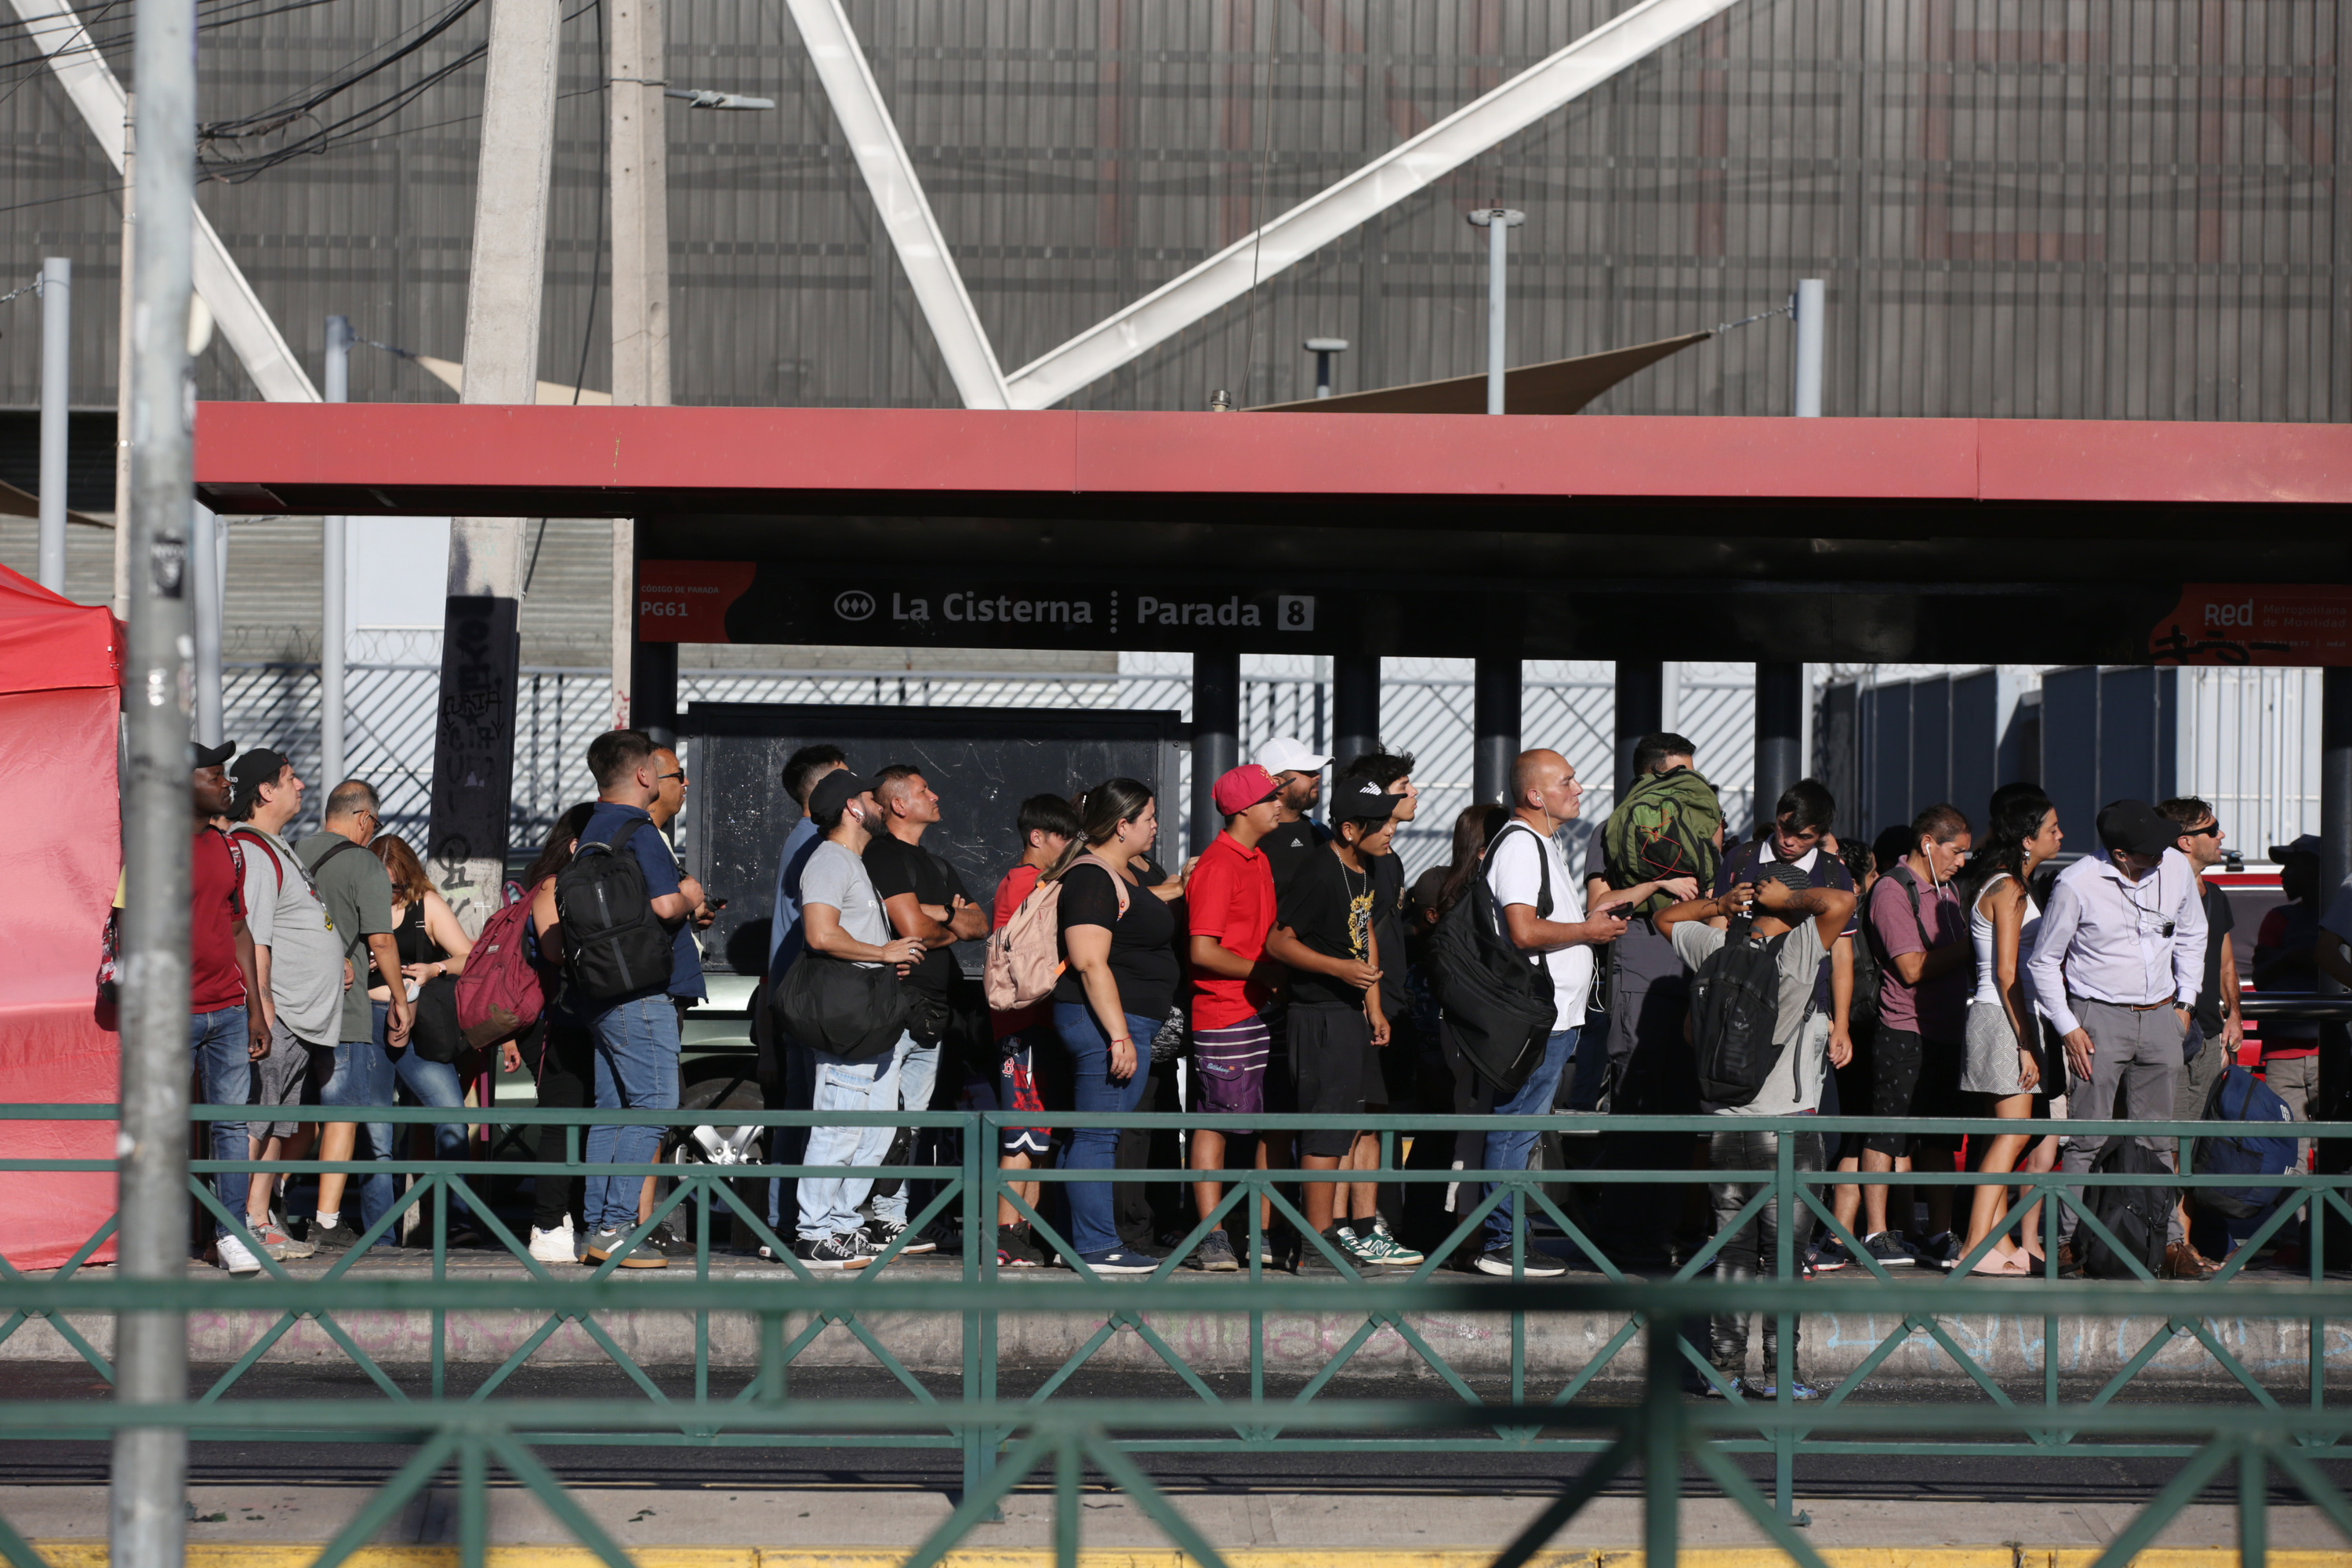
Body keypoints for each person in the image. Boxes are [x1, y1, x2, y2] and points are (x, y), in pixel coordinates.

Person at [1656, 860, 1854, 1396]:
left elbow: (1666, 917)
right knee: (1783, 1257)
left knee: (1734, 1251)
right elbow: (1840, 903)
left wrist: (1720, 907)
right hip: (1785, 1128)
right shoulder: (1797, 950)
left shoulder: (1718, 950)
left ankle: (1723, 1371)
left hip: (1724, 1127)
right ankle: (1780, 1376)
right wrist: (1788, 904)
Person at [1461, 749, 1629, 1277]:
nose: (1578, 789)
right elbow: (1524, 930)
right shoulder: (1520, 846)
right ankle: (1502, 1240)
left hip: (1554, 1016)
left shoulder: (1541, 844)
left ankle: (1509, 1235)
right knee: (1517, 1126)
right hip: (1538, 1015)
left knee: (1525, 1128)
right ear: (1535, 795)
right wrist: (1588, 932)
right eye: (1567, 780)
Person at [2027, 799, 2208, 1275]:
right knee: (2087, 1137)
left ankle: (2168, 1243)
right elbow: (2044, 962)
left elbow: (2193, 934)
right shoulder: (2077, 883)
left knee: (2158, 1139)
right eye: (2149, 850)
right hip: (2097, 1018)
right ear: (2121, 854)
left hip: (2163, 1014)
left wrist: (2185, 1003)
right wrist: (2068, 1028)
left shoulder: (2175, 869)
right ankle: (2066, 1242)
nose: (2163, 855)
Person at [576, 730, 709, 1268]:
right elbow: (662, 905)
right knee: (654, 1107)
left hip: (604, 992)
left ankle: (596, 1226)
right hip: (644, 992)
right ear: (643, 776)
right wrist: (692, 896)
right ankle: (615, 1226)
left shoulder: (592, 828)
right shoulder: (641, 830)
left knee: (612, 1110)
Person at [1585, 732, 1717, 1265]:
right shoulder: (1615, 830)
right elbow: (1599, 907)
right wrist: (1657, 886)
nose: (1689, 784)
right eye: (1678, 773)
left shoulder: (1702, 830)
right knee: (1638, 1104)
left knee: (1686, 1112)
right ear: (1649, 777)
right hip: (1642, 975)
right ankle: (1624, 1237)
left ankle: (1671, 1234)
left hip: (1692, 981)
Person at [1265, 779, 1403, 1268]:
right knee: (1324, 1132)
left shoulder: (1365, 868)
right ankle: (1313, 1242)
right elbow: (1279, 942)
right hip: (1317, 1014)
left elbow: (1364, 935)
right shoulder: (1320, 869)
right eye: (1380, 823)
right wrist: (1340, 970)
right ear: (1349, 828)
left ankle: (1324, 1236)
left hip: (1348, 1013)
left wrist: (1375, 1004)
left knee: (1342, 1126)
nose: (1391, 830)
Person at [792, 769, 926, 1268]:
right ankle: (814, 1231)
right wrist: (885, 952)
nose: (878, 803)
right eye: (870, 797)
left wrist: (887, 956)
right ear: (852, 808)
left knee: (873, 1128)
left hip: (872, 1015)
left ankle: (843, 1225)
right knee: (841, 1125)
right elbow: (819, 935)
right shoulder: (828, 860)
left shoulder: (854, 861)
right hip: (848, 1016)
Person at [1047, 779, 1181, 1274]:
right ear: (1121, 825)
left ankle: (1074, 1240)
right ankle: (1096, 1247)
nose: (1154, 826)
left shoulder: (1119, 873)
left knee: (1094, 1134)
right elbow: (1089, 961)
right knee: (1098, 1136)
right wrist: (1119, 1034)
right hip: (1105, 1024)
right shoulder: (1092, 877)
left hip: (1125, 1023)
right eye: (1148, 817)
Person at [863, 764, 989, 1253]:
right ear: (899, 804)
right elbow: (908, 924)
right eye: (923, 790)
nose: (935, 795)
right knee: (879, 1118)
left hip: (934, 1009)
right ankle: (861, 1217)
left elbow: (981, 922)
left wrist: (936, 914)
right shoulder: (881, 854)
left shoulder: (935, 863)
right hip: (892, 1003)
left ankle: (893, 1218)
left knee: (911, 1122)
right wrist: (942, 916)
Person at [228, 750, 343, 1258]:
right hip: (280, 1016)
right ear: (266, 791)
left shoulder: (277, 847)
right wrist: (263, 1005)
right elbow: (253, 935)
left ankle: (260, 1220)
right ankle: (241, 1224)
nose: (301, 785)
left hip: (298, 1018)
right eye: (289, 778)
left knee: (278, 1121)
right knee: (260, 1119)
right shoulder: (252, 850)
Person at [294, 776, 416, 1252]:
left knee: (293, 1115)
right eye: (375, 823)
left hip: (288, 1003)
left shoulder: (291, 852)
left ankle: (267, 1208)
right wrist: (401, 1001)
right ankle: (326, 1222)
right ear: (365, 818)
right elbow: (381, 940)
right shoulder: (364, 862)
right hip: (342, 1009)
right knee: (341, 1114)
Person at [1857, 804, 1973, 1269]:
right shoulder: (1892, 889)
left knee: (1940, 1138)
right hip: (1903, 1029)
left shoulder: (1948, 892)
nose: (1962, 861)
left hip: (1947, 1029)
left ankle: (1939, 1232)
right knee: (1887, 1133)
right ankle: (1876, 1233)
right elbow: (1909, 968)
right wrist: (1975, 944)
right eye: (1957, 850)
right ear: (1928, 843)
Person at [1952, 788, 2063, 1276]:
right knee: (2013, 1135)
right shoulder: (2010, 889)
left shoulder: (1999, 883)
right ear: (2026, 839)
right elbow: (2006, 972)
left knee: (2002, 1135)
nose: (2061, 835)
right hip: (2004, 1016)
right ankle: (1975, 1245)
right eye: (2052, 829)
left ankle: (1997, 1244)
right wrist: (2026, 1042)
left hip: (1995, 1014)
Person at [1180, 766, 1286, 1272]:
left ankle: (1258, 1232)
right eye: (1269, 798)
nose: (1278, 804)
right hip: (1225, 1012)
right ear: (1242, 809)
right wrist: (1266, 974)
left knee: (1265, 1125)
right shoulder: (1219, 864)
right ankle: (1211, 1235)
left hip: (1258, 1009)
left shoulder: (1258, 858)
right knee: (1216, 1122)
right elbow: (1202, 950)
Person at [1328, 749, 1426, 1265]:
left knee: (1375, 1118)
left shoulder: (1387, 859)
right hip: (1355, 1005)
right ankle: (1344, 1226)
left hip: (1385, 1002)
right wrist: (1370, 1001)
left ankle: (1366, 1223)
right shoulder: (1342, 860)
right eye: (1404, 786)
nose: (1413, 794)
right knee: (1352, 1118)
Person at [368, 833, 481, 1244]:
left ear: (408, 879)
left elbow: (469, 956)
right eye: (379, 885)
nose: (387, 894)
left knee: (451, 1114)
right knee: (376, 1134)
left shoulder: (425, 904)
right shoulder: (360, 904)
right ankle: (380, 1237)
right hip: (369, 1021)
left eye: (394, 886)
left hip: (419, 1026)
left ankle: (457, 1222)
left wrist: (435, 969)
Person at [760, 743, 849, 1250]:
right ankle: (794, 1225)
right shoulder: (817, 842)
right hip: (809, 999)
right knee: (812, 1116)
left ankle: (785, 1223)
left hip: (794, 997)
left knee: (802, 1113)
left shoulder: (802, 840)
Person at [989, 792, 1081, 1268]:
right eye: (1064, 836)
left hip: (1040, 1023)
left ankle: (1024, 1231)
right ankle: (1005, 1235)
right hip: (1021, 1024)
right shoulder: (1026, 880)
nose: (1071, 846)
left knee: (1039, 1137)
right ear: (1037, 836)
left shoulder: (1036, 879)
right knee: (1021, 1136)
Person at [187, 742, 270, 1271]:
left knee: (230, 1126)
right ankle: (163, 1232)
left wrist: (257, 1008)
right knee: (164, 1125)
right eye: (216, 775)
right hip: (171, 1013)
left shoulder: (227, 847)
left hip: (229, 1009)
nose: (228, 785)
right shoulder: (147, 849)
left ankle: (231, 1232)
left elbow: (239, 928)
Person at [2158, 796, 2243, 1273]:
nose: (2222, 837)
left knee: (2199, 1147)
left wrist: (2234, 1015)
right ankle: (2173, 1249)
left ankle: (2188, 1246)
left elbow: (2226, 962)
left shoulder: (2218, 896)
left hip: (2209, 1036)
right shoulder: (2156, 892)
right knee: (2170, 1146)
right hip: (2167, 1033)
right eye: (2213, 830)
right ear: (2186, 841)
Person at [519, 803, 598, 1263]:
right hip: (549, 1019)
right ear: (576, 844)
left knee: (582, 1118)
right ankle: (548, 1223)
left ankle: (571, 1220)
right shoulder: (552, 886)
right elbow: (553, 950)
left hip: (571, 1016)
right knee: (563, 1117)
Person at [1820, 836, 1884, 1265]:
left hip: (1842, 1035)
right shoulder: (1857, 923)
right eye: (1873, 872)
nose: (1879, 879)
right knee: (1848, 1138)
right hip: (1855, 1037)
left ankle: (1838, 1237)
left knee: (1846, 1138)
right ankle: (1839, 1236)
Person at [2252, 833, 2325, 1133]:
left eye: (2291, 866)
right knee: (2288, 1145)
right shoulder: (2279, 918)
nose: (2282, 874)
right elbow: (2259, 978)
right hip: (2283, 1051)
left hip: (2333, 1051)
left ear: (2315, 868)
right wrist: (2293, 957)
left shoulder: (2343, 918)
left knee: (2338, 1148)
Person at [1254, 736, 1332, 891]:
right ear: (1277, 784)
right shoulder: (1252, 840)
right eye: (1307, 771)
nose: (1317, 775)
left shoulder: (1321, 832)